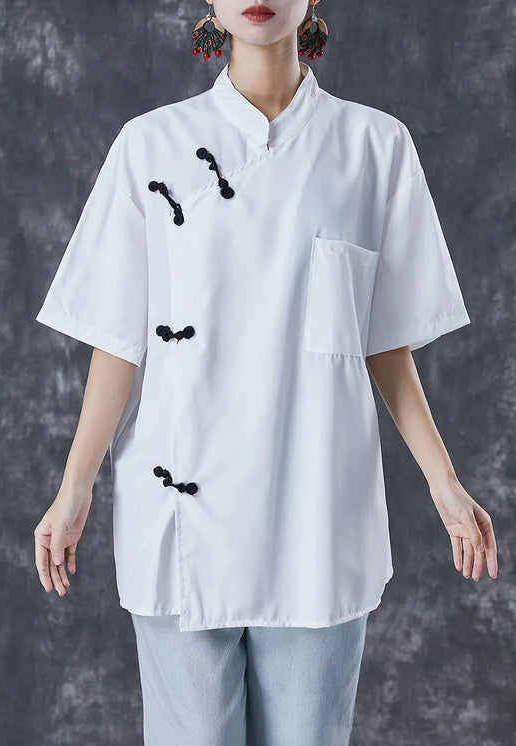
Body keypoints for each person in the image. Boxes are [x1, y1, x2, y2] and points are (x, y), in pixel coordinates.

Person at [33, 1, 499, 744]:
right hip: (180, 522)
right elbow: (118, 341)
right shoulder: (149, 146)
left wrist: (444, 482)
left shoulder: (374, 145)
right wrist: (73, 488)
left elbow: (382, 342)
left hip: (316, 510)